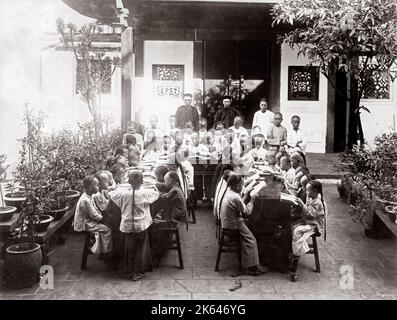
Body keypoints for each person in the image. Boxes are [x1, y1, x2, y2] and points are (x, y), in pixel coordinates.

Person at [111, 171, 159, 281]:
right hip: (140, 225)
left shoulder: (123, 194)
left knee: (130, 247)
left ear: (128, 182)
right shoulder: (144, 193)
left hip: (127, 225)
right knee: (140, 248)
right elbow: (156, 194)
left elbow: (112, 194)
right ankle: (139, 271)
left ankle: (129, 269)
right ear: (142, 182)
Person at [219, 174, 268, 275]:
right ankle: (251, 266)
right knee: (251, 240)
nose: (242, 187)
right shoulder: (235, 197)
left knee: (249, 232)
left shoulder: (229, 192)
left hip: (227, 221)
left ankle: (250, 263)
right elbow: (247, 212)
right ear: (237, 186)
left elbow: (239, 203)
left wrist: (245, 195)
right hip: (233, 225)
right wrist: (252, 199)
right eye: (242, 185)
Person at [73, 175, 112, 256]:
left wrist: (103, 218)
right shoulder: (85, 200)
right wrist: (104, 220)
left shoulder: (89, 196)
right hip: (85, 223)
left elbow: (95, 211)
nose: (99, 187)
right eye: (97, 185)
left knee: (107, 226)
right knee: (107, 229)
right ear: (90, 188)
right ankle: (103, 251)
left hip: (89, 220)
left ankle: (101, 248)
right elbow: (94, 215)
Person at [292, 180, 326, 257]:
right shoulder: (311, 198)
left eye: (307, 190)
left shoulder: (317, 202)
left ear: (315, 191)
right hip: (309, 222)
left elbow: (309, 214)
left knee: (296, 231)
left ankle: (297, 251)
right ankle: (294, 247)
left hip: (315, 226)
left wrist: (301, 203)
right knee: (292, 225)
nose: (306, 192)